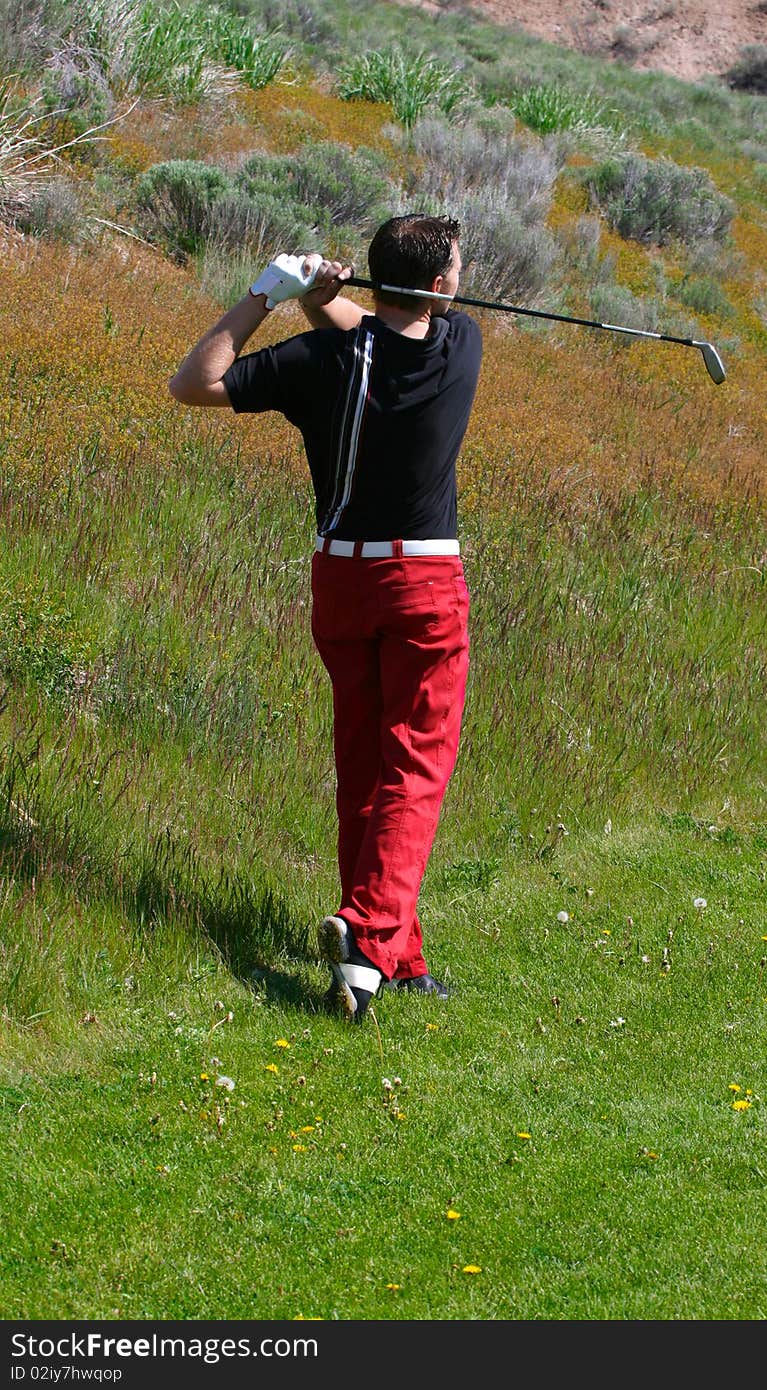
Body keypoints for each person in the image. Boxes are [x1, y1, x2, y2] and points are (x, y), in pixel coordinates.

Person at [168, 213, 483, 1022]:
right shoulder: (460, 347)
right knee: (414, 767)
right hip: (423, 585)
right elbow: (386, 336)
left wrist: (271, 297)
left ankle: (395, 961)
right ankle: (370, 931)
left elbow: (194, 380)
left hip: (340, 582)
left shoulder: (322, 358)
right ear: (442, 287)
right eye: (458, 269)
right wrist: (324, 299)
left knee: (366, 768)